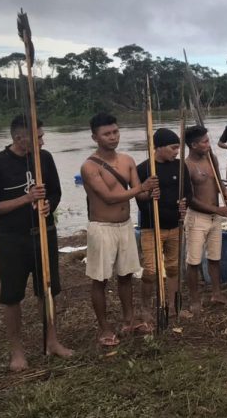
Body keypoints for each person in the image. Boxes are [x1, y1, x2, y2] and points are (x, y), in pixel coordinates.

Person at [0, 114, 74, 370]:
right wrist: (27, 198)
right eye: (39, 137)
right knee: (12, 296)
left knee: (48, 290)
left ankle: (51, 341)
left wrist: (48, 205)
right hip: (13, 239)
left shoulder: (44, 159)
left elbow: (55, 192)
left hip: (44, 234)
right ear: (19, 138)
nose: (43, 142)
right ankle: (17, 351)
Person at [81, 113, 159, 346]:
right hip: (102, 227)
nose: (113, 137)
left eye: (115, 132)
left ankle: (129, 319)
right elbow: (109, 197)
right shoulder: (89, 166)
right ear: (95, 137)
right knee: (100, 279)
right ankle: (104, 328)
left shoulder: (127, 161)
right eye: (107, 134)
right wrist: (141, 189)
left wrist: (152, 190)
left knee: (125, 275)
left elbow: (140, 193)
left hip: (125, 226)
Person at [136, 128, 193, 320]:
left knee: (174, 267)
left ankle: (174, 306)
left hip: (176, 226)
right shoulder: (144, 168)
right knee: (151, 270)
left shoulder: (180, 166)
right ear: (159, 148)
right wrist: (155, 202)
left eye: (178, 147)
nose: (177, 151)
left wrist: (185, 204)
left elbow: (188, 192)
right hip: (152, 227)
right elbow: (141, 203)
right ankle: (145, 308)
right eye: (173, 147)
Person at [184, 125, 227, 314]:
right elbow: (190, 200)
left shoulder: (210, 158)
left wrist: (226, 193)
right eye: (204, 142)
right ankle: (195, 299)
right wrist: (217, 209)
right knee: (194, 261)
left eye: (207, 140)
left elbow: (218, 181)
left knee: (215, 257)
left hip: (215, 216)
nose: (208, 144)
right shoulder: (187, 166)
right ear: (194, 145)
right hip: (197, 218)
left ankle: (216, 293)